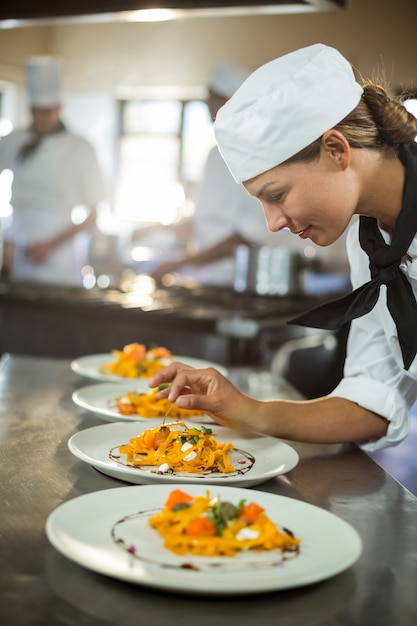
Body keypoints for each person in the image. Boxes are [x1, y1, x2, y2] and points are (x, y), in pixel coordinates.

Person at [149, 43, 417, 452]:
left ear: (336, 150)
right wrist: (244, 409)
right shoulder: (368, 245)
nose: (272, 223)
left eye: (276, 195)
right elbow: (373, 400)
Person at [150, 61, 284, 287]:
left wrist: (179, 263)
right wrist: (153, 229)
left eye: (212, 96)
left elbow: (246, 237)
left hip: (236, 280)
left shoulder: (259, 156)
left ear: (230, 101)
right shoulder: (216, 154)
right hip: (203, 278)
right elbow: (202, 221)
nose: (206, 102)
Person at [0, 56, 106, 286]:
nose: (40, 119)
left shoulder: (80, 148)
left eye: (46, 112)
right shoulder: (14, 141)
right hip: (20, 250)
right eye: (35, 111)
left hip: (62, 255)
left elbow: (93, 214)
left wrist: (50, 245)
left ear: (59, 107)